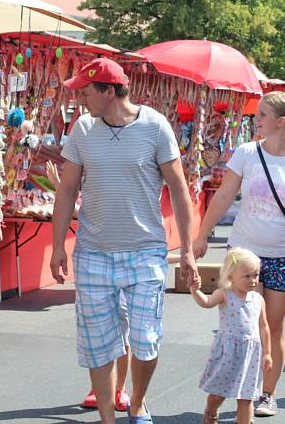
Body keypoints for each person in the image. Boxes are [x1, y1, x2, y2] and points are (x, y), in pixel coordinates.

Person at [50, 57, 198, 424]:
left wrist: (190, 251)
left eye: (86, 93)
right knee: (98, 345)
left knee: (146, 340)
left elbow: (180, 191)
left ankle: (137, 403)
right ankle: (107, 418)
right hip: (93, 253)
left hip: (145, 252)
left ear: (110, 91)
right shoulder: (82, 129)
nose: (82, 100)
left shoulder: (155, 126)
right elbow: (67, 190)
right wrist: (57, 247)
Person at [192, 91, 285, 418]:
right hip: (244, 253)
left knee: (272, 327)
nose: (255, 119)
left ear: (281, 122)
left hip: (283, 255)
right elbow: (223, 196)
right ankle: (235, 389)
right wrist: (202, 235)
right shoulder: (247, 153)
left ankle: (267, 393)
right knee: (241, 328)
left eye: (261, 114)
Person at [46, 160, 132, 413]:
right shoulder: (91, 191)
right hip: (94, 265)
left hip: (126, 266)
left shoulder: (131, 192)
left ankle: (120, 389)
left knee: (123, 332)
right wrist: (58, 186)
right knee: (96, 332)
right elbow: (75, 209)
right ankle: (99, 387)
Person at [190, 248, 271, 424]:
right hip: (229, 352)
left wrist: (267, 353)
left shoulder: (258, 299)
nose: (253, 280)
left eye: (255, 275)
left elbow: (264, 326)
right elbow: (206, 303)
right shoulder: (225, 294)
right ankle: (211, 411)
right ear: (230, 276)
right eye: (247, 276)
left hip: (251, 355)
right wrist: (195, 291)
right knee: (218, 393)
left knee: (246, 397)